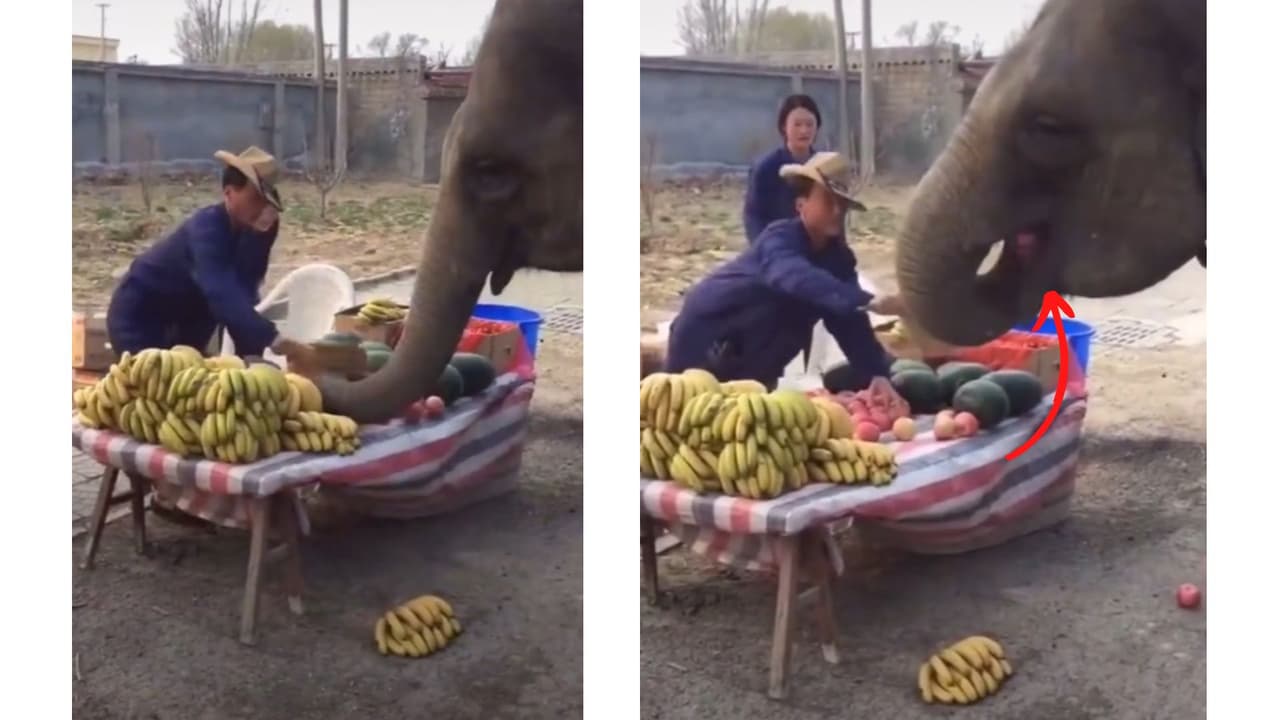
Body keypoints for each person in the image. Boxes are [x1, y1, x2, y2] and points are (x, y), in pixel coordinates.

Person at [666, 151, 896, 390]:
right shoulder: (779, 239)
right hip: (708, 337)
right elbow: (792, 275)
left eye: (842, 205)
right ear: (801, 205)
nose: (837, 211)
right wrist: (868, 300)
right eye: (828, 201)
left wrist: (876, 374)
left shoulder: (839, 259)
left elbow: (850, 321)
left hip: (759, 356)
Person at [106, 146, 316, 368]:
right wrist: (274, 340)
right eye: (255, 198)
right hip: (142, 318)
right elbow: (221, 292)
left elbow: (245, 290)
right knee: (157, 382)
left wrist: (251, 357)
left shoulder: (259, 229)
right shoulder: (206, 229)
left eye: (266, 200)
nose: (262, 207)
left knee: (196, 381)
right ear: (229, 193)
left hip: (189, 321)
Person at [742, 94, 823, 243]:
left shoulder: (824, 166)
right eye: (797, 124)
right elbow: (754, 217)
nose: (804, 131)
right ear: (784, 127)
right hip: (777, 245)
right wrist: (765, 249)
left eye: (809, 124)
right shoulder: (766, 168)